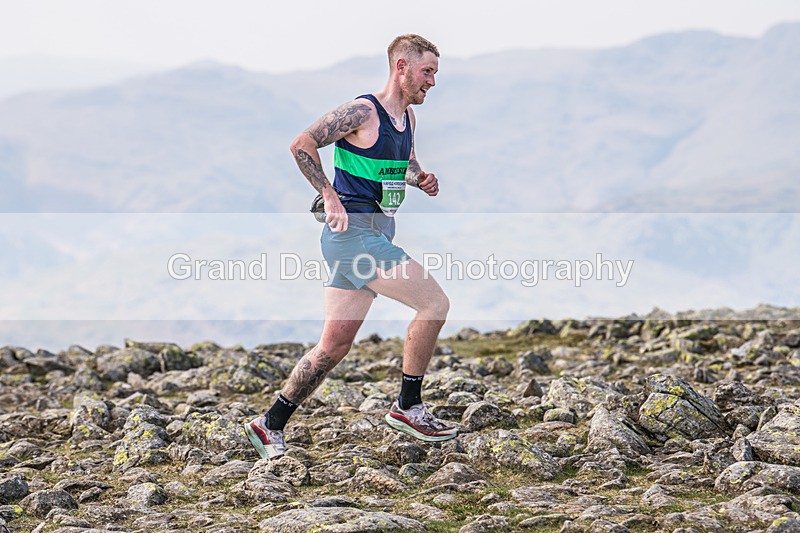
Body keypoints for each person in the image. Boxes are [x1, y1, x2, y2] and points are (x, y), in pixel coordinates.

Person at [245, 34, 456, 460]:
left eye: (435, 73)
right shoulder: (362, 111)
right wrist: (329, 192)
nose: (432, 81)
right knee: (434, 304)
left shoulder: (407, 121)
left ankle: (270, 423)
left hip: (374, 234)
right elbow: (301, 143)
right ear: (401, 67)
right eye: (427, 71)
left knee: (333, 346)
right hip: (354, 237)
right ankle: (408, 406)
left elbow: (403, 164)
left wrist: (420, 178)